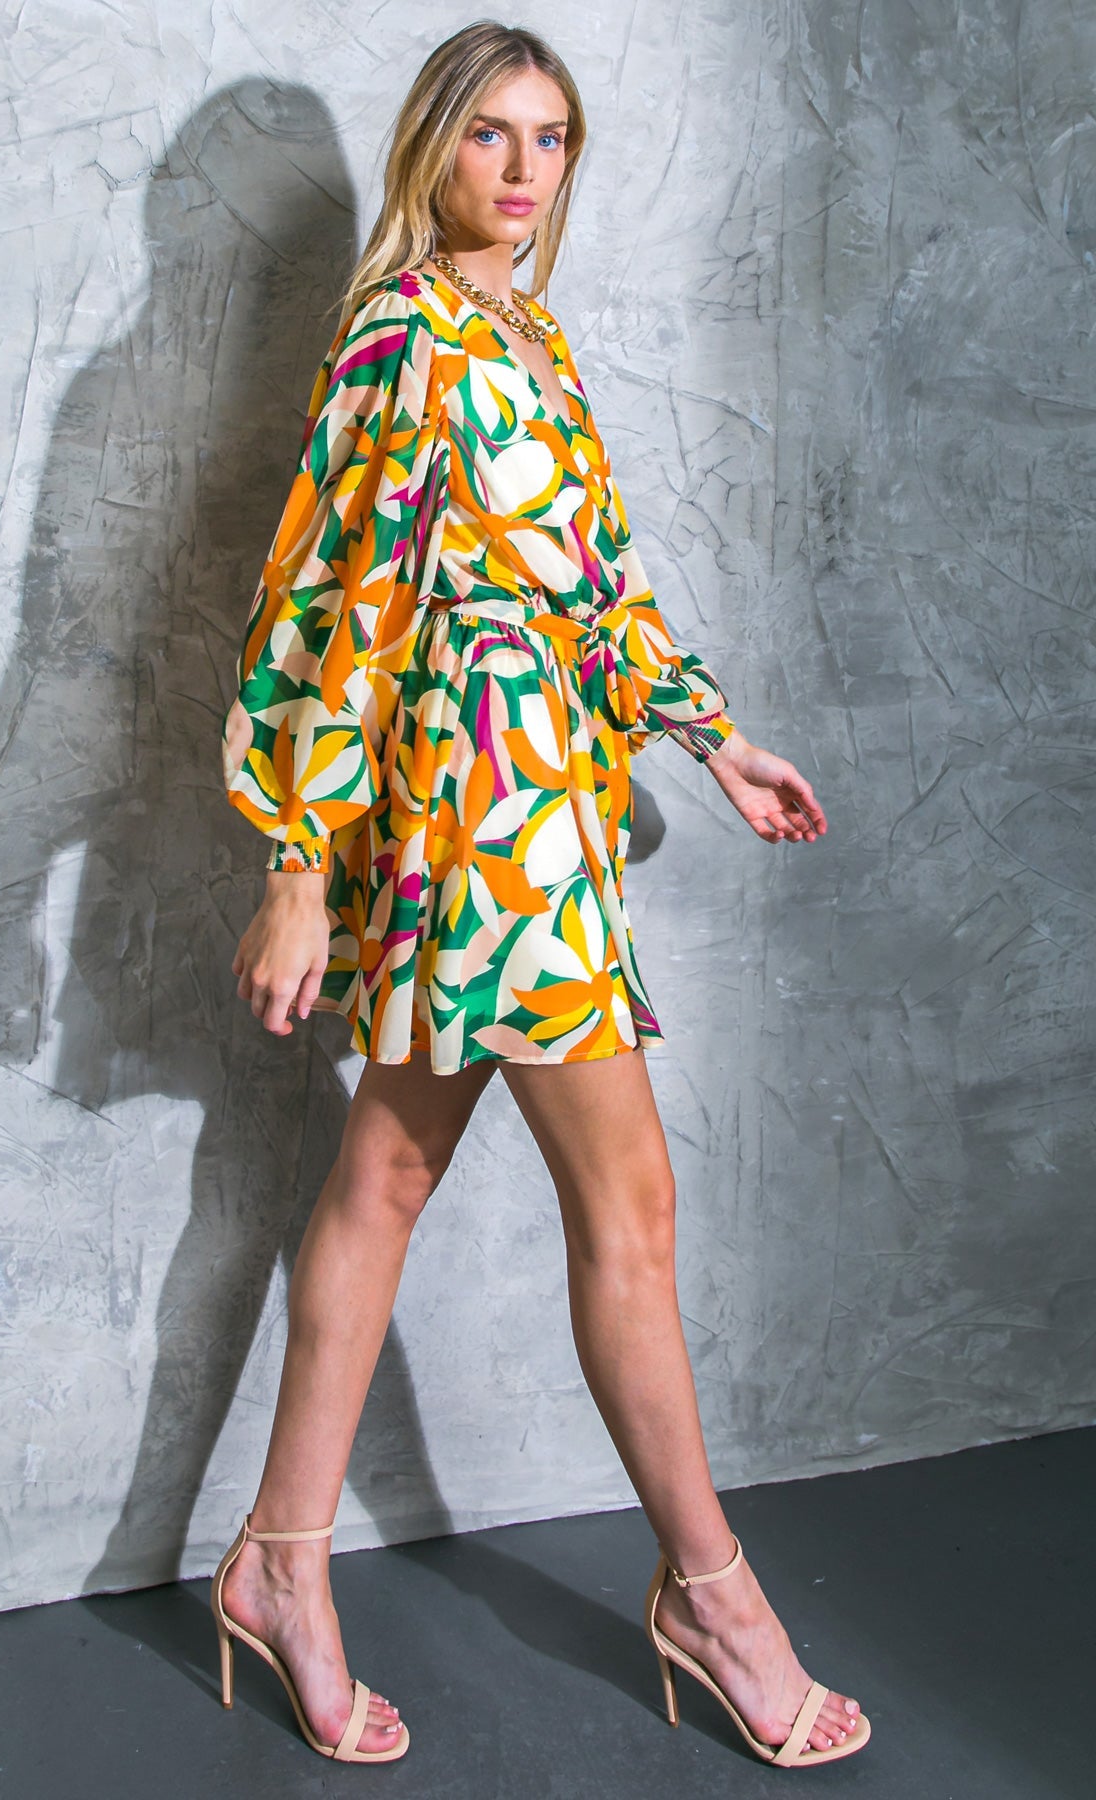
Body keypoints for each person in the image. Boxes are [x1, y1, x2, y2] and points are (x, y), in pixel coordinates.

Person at [210, 20, 870, 1771]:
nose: (521, 168)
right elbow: (323, 606)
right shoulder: (402, 337)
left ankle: (278, 1564)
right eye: (490, 133)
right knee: (629, 1204)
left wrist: (713, 741)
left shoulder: (530, 337)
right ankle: (716, 1600)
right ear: (433, 145)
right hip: (477, 827)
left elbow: (589, 586)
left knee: (386, 1175)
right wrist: (295, 866)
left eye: (551, 135)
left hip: (539, 811)